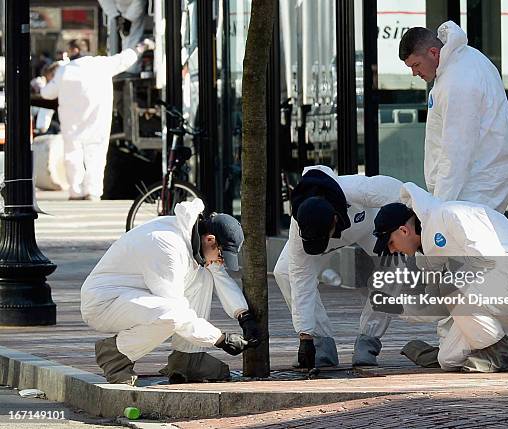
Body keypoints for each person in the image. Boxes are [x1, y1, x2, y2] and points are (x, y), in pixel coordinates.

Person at [398, 21, 508, 368]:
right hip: (479, 178)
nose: (415, 74)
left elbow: (455, 151)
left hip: (474, 182)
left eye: (416, 66)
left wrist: (435, 210)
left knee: (457, 269)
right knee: (466, 269)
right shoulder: (465, 64)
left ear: (434, 52)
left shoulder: (458, 81)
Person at [81, 199, 261, 385]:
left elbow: (219, 275)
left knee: (204, 274)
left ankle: (188, 359)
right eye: (222, 256)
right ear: (210, 240)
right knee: (170, 316)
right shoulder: (167, 246)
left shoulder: (192, 237)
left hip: (133, 296)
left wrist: (243, 315)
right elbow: (176, 313)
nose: (221, 261)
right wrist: (220, 339)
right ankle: (115, 356)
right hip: (104, 303)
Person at [372, 183, 508, 372]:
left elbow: (488, 253)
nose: (392, 250)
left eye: (390, 242)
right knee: (448, 360)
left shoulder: (448, 215)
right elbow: (437, 304)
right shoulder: (425, 257)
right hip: (494, 287)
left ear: (403, 231)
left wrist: (458, 282)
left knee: (450, 285)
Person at [274, 165, 403, 368]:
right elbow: (301, 281)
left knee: (396, 267)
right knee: (284, 273)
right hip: (321, 235)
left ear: (334, 220)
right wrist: (305, 336)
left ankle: (368, 342)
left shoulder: (354, 189)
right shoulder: (299, 226)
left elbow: (401, 192)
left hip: (369, 227)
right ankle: (322, 345)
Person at [40, 40, 153, 201]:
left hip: (71, 122)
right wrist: (142, 47)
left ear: (73, 52)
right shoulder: (102, 64)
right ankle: (92, 191)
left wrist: (43, 84)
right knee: (96, 155)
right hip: (97, 120)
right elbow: (125, 58)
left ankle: (75, 190)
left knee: (73, 154)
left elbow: (47, 94)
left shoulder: (64, 71)